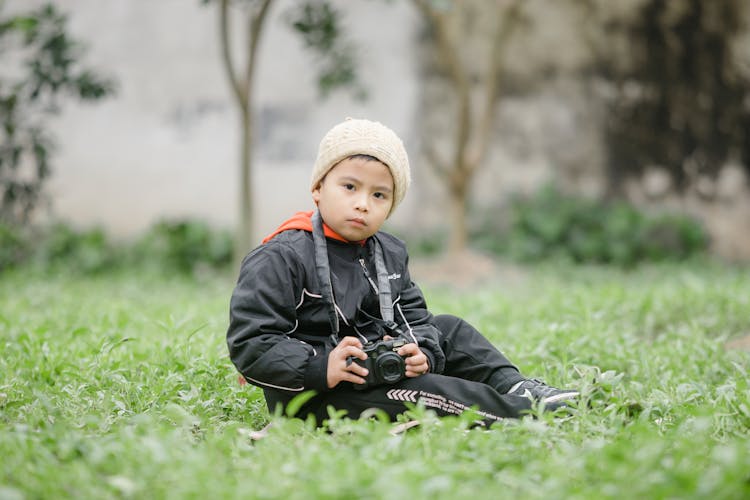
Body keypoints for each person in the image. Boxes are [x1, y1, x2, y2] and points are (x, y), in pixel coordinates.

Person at [227, 118, 579, 427]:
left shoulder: (390, 252)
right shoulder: (281, 256)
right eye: (349, 187)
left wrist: (419, 350)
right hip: (314, 395)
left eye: (379, 195)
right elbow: (251, 343)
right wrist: (322, 366)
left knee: (449, 328)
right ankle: (526, 413)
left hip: (376, 370)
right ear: (318, 188)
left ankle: (517, 386)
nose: (363, 203)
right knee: (421, 392)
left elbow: (415, 318)